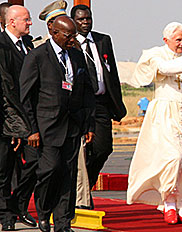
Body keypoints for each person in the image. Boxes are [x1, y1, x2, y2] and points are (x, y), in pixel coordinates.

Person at [126, 22, 182, 225]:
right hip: (166, 114)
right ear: (165, 40)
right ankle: (168, 204)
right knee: (174, 158)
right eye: (178, 40)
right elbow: (164, 69)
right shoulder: (156, 54)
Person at [19, 16, 95, 232]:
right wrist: (31, 130)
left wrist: (89, 125)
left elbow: (87, 91)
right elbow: (26, 96)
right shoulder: (37, 57)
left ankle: (63, 222)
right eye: (69, 36)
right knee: (50, 171)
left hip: (73, 125)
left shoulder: (77, 55)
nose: (73, 40)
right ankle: (43, 211)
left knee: (68, 175)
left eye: (74, 36)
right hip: (46, 127)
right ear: (55, 33)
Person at [71, 4, 127, 209]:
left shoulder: (103, 40)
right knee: (80, 152)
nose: (85, 22)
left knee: (104, 148)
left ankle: (86, 184)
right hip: (79, 106)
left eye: (88, 18)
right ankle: (80, 192)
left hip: (101, 103)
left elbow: (112, 75)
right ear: (73, 22)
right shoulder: (70, 43)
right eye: (81, 19)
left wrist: (118, 105)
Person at [0, 5, 37, 229]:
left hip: (29, 117)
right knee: (4, 170)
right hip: (7, 120)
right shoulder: (2, 46)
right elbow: (5, 89)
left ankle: (19, 205)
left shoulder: (28, 45)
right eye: (26, 19)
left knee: (36, 163)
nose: (30, 23)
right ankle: (5, 215)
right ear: (12, 22)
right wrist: (13, 127)